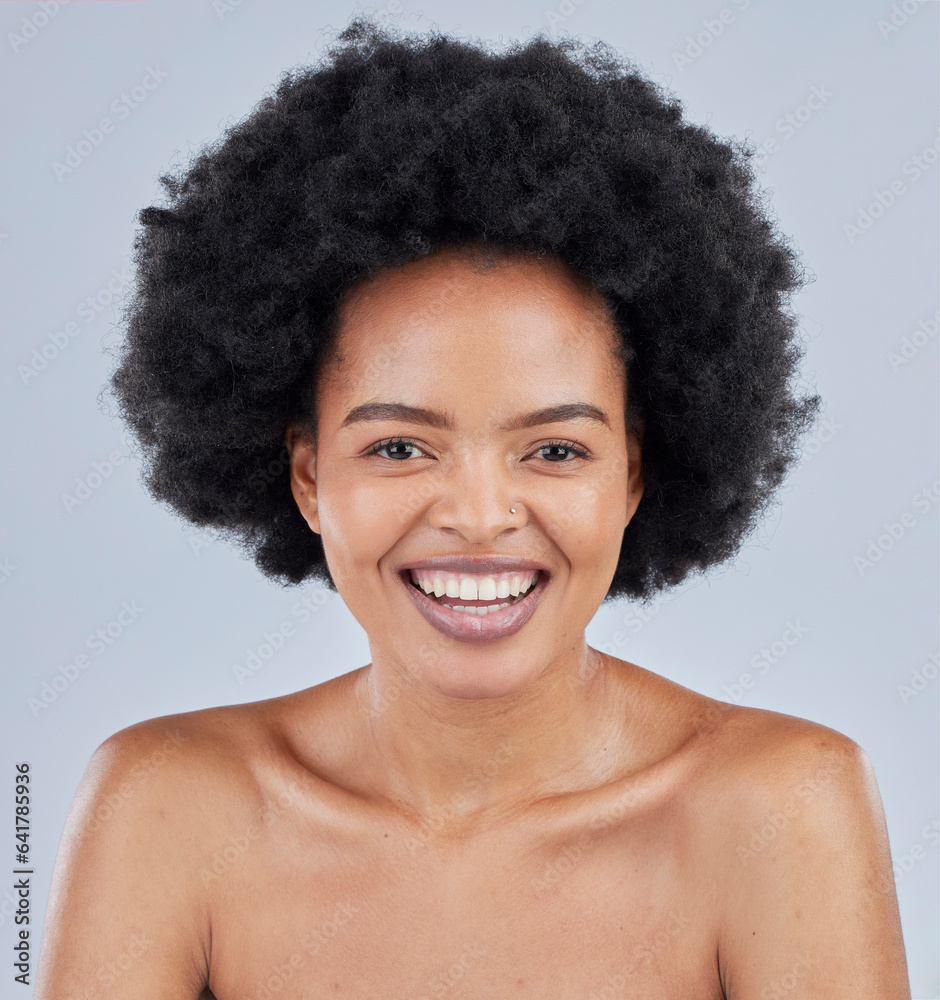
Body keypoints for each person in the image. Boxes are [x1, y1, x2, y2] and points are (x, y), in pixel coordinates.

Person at [35, 15, 911, 998]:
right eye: (400, 445)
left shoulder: (778, 807)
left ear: (632, 473)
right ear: (309, 475)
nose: (481, 513)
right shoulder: (164, 807)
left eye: (553, 448)